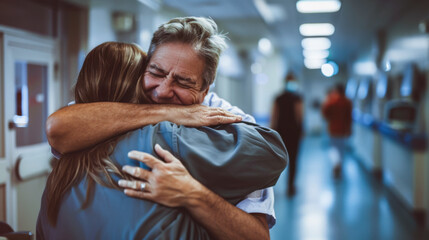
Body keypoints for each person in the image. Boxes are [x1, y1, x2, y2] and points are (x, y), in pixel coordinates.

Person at [45, 17, 280, 239]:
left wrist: (193, 194)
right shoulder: (124, 99)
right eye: (156, 72)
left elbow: (256, 235)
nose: (162, 91)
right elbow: (60, 129)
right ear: (144, 66)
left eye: (183, 82)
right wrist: (168, 112)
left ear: (205, 90)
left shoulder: (232, 126)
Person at [271, 73, 303, 196]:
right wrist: (301, 130)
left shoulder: (278, 98)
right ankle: (290, 187)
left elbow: (274, 116)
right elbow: (299, 115)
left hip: (280, 132)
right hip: (293, 132)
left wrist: (272, 131)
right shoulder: (297, 98)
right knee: (293, 160)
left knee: (277, 159)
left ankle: (269, 186)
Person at [322, 83, 352, 178]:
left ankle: (336, 165)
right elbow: (349, 117)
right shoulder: (347, 102)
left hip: (333, 130)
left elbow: (325, 113)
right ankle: (339, 166)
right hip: (343, 130)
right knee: (341, 149)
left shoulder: (332, 101)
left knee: (334, 149)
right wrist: (349, 129)